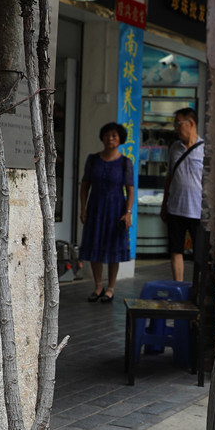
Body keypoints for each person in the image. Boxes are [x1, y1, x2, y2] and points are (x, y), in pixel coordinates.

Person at [79, 122, 135, 302]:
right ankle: (97, 287)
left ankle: (110, 288)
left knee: (113, 250)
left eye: (114, 136)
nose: (110, 139)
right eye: (107, 135)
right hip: (95, 208)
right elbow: (85, 185)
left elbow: (130, 189)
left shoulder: (125, 162)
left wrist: (128, 212)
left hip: (115, 210)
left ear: (120, 140)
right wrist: (83, 208)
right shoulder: (93, 159)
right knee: (94, 246)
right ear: (102, 137)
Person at [161, 108, 204, 283]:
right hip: (175, 208)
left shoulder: (205, 150)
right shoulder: (174, 148)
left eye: (178, 124)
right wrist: (164, 204)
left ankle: (198, 288)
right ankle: (178, 286)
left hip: (197, 211)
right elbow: (170, 176)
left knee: (199, 253)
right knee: (176, 249)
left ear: (191, 123)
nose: (176, 128)